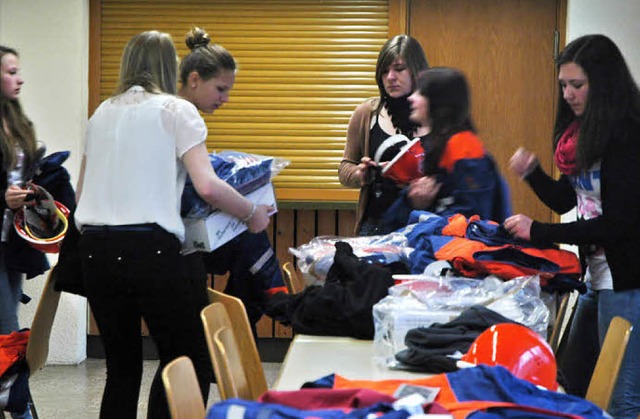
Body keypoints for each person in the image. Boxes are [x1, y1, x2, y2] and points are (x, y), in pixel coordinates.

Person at [74, 31, 273, 419]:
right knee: (184, 359)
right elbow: (208, 186)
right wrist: (252, 213)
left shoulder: (101, 113)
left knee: (121, 368)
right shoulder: (176, 111)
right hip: (153, 251)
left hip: (95, 250)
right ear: (173, 67)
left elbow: (81, 194)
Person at [504, 34, 640, 418]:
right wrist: (532, 174)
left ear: (604, 85)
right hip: (598, 277)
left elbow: (615, 225)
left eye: (577, 85)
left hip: (627, 280)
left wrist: (541, 232)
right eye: (563, 85)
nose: (567, 94)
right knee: (572, 381)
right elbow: (568, 201)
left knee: (622, 398)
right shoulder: (585, 137)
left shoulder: (628, 138)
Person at [177, 27, 286, 335]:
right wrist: (250, 212)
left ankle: (265, 296)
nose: (225, 99)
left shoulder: (179, 111)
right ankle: (270, 295)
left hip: (183, 227)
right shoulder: (184, 115)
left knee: (248, 243)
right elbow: (206, 187)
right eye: (221, 89)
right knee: (250, 230)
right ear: (195, 79)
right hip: (176, 233)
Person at [338, 34, 429, 236]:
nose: (390, 77)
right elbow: (344, 169)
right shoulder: (365, 113)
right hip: (376, 227)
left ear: (417, 71)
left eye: (399, 69)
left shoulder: (437, 116)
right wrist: (361, 174)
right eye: (384, 71)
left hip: (427, 227)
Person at [398, 67, 509, 228]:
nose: (412, 98)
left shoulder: (464, 148)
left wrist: (421, 211)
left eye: (420, 93)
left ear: (438, 102)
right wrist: (412, 201)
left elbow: (472, 221)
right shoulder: (440, 145)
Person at [0, 45, 42, 419]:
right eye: (11, 71)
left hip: (11, 243)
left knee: (6, 328)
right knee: (7, 331)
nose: (20, 78)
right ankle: (22, 409)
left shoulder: (17, 122)